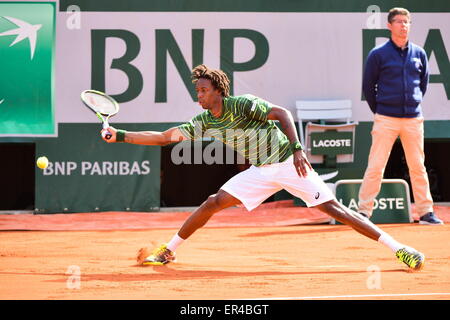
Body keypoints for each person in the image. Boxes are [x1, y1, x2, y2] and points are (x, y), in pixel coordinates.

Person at [102, 64, 425, 270]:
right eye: (196, 91)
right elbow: (163, 137)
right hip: (261, 171)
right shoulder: (203, 121)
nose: (198, 95)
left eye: (203, 90)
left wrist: (298, 149)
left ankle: (399, 249)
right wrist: (120, 136)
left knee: (337, 210)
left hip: (288, 161)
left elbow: (282, 113)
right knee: (212, 203)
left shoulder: (243, 104)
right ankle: (169, 250)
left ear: (218, 90)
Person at [359, 7, 443, 225]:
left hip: (413, 119)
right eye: (399, 22)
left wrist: (411, 104)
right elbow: (368, 87)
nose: (403, 26)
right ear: (389, 26)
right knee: (376, 166)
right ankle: (363, 213)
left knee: (418, 167)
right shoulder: (378, 54)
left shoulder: (420, 53)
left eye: (407, 22)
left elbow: (422, 85)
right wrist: (381, 109)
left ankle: (426, 212)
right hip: (386, 118)